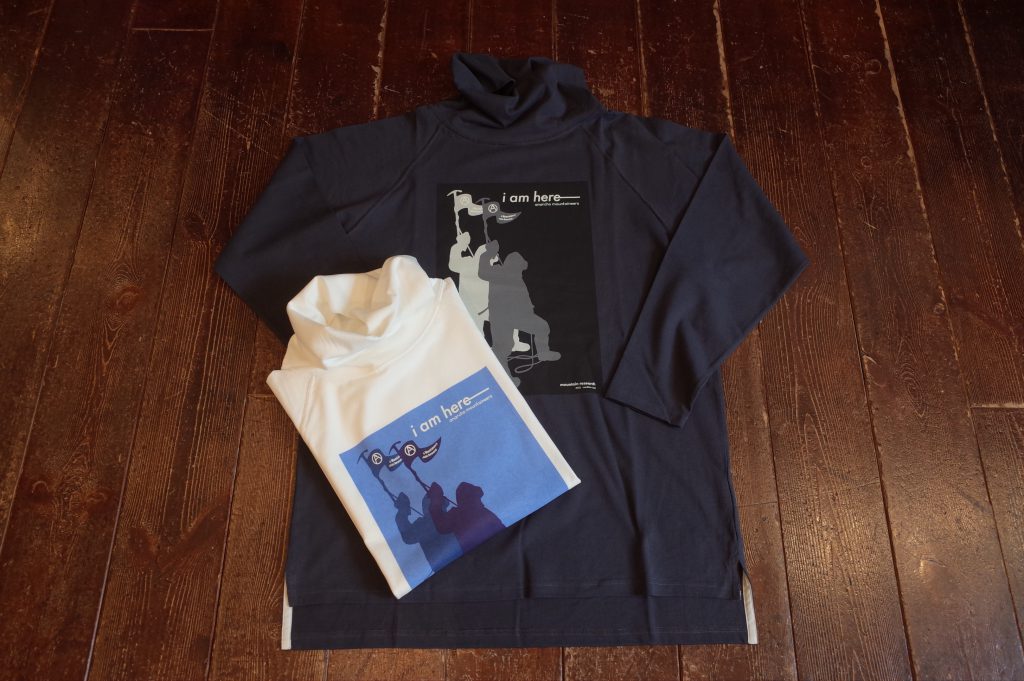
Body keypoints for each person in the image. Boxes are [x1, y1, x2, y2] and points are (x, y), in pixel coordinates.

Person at [477, 240, 560, 384]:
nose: (521, 270)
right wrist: (489, 253)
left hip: (520, 316)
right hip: (501, 318)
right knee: (503, 347)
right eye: (519, 267)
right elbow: (482, 272)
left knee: (542, 326)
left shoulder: (516, 277)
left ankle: (543, 353)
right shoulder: (497, 272)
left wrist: (528, 308)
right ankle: (505, 379)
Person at [427, 481, 505, 553]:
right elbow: (442, 526)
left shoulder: (459, 514)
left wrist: (436, 499)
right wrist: (436, 499)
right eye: (475, 496)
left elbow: (442, 526)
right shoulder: (481, 512)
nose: (478, 500)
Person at [394, 491, 462, 572]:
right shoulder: (452, 516)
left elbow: (408, 536)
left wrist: (402, 511)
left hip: (446, 568)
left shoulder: (429, 522)